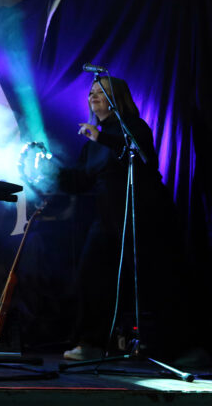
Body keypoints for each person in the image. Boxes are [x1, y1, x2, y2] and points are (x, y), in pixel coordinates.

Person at [57, 76, 181, 361]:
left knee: (155, 281)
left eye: (101, 92)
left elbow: (141, 158)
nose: (93, 96)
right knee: (91, 277)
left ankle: (177, 348)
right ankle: (91, 343)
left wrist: (101, 137)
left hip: (143, 216)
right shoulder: (93, 142)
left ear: (117, 98)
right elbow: (80, 180)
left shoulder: (134, 128)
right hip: (107, 218)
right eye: (91, 92)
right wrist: (50, 170)